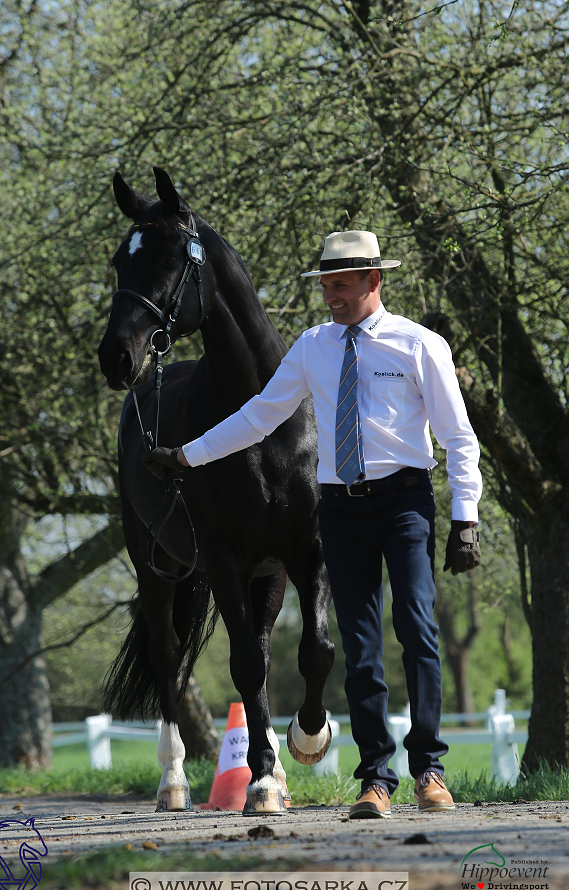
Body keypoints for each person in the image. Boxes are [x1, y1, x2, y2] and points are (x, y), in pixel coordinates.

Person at [144, 230, 482, 819]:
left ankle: (429, 769)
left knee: (418, 630)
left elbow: (458, 438)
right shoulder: (313, 347)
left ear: (374, 281)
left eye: (342, 286)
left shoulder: (419, 345)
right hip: (341, 507)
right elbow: (259, 416)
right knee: (359, 644)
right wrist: (187, 455)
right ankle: (375, 778)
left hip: (404, 500)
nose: (331, 296)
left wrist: (465, 519)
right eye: (325, 285)